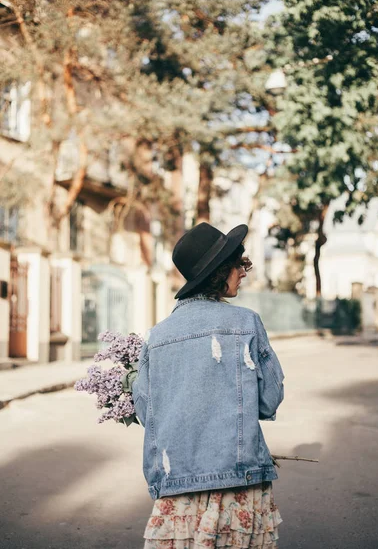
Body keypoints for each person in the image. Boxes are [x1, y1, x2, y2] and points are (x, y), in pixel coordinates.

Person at [132, 222, 284, 549]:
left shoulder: (156, 337)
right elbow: (269, 399)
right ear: (219, 272)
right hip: (239, 480)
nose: (243, 272)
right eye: (238, 264)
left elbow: (147, 411)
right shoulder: (246, 323)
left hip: (176, 486)